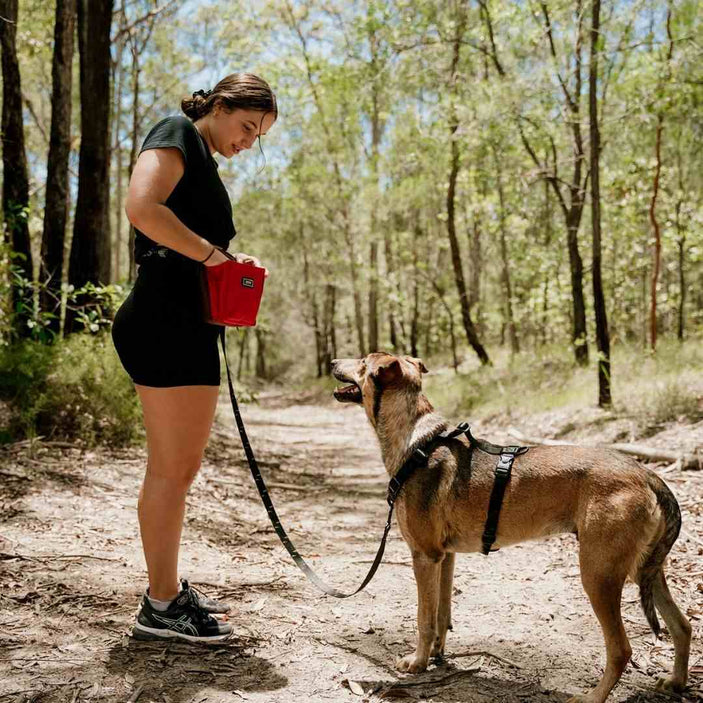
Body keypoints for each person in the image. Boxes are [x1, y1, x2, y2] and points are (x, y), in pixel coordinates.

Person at [111, 73, 277, 642]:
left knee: (178, 471)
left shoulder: (203, 161)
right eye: (247, 126)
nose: (249, 141)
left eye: (259, 135)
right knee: (169, 471)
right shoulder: (176, 130)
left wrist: (230, 261)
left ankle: (167, 592)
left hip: (188, 327)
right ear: (221, 106)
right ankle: (160, 605)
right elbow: (142, 207)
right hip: (162, 324)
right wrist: (213, 255)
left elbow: (191, 245)